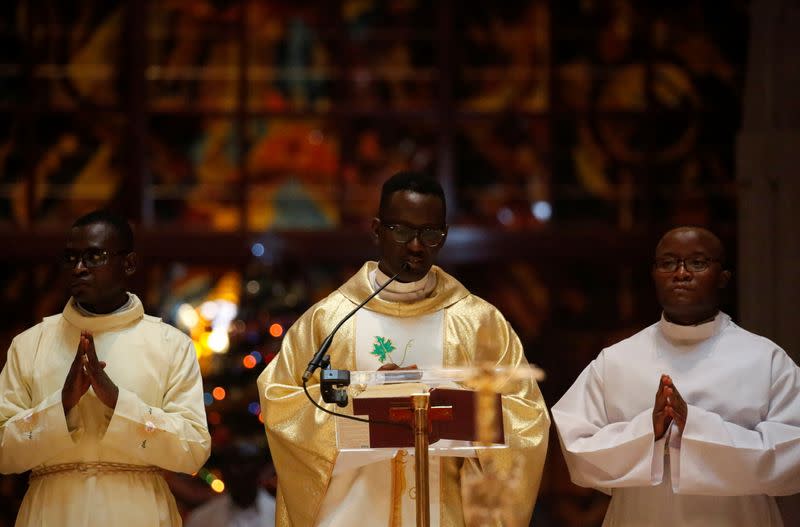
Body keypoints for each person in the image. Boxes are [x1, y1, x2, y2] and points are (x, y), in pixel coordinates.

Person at [257, 171, 549, 526]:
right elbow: (282, 403)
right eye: (401, 231)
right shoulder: (329, 321)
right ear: (377, 230)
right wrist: (363, 395)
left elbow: (527, 420)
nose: (416, 246)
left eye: (430, 234)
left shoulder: (479, 324)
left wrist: (454, 403)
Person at [552, 226, 800, 526]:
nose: (681, 273)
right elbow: (578, 452)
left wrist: (694, 426)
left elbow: (793, 457)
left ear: (723, 277)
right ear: (654, 274)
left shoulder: (764, 359)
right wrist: (649, 431)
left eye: (697, 262)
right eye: (668, 263)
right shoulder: (616, 360)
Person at [0, 210, 211, 526]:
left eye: (94, 256)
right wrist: (62, 404)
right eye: (71, 258)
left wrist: (118, 402)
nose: (79, 268)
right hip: (53, 511)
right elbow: (3, 454)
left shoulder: (171, 345)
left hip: (138, 510)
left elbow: (194, 450)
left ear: (128, 264)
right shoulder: (30, 345)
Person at [184, 441, 277, 527]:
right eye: (229, 467)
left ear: (258, 471)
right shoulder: (201, 518)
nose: (235, 472)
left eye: (243, 465)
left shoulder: (280, 515)